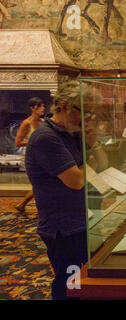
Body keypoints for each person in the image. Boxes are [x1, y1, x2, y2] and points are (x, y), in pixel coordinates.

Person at [25, 80, 88, 300]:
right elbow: (77, 180)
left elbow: (98, 163)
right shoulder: (45, 137)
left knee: (84, 280)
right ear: (63, 106)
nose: (87, 119)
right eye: (83, 111)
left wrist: (93, 145)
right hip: (62, 228)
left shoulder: (72, 132)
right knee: (69, 282)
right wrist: (92, 156)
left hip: (79, 221)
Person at [14, 97, 45, 212]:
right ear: (32, 108)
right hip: (31, 158)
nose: (43, 108)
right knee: (40, 183)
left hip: (43, 157)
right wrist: (33, 141)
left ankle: (23, 204)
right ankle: (25, 204)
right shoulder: (26, 123)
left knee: (42, 183)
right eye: (40, 106)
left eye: (43, 106)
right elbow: (17, 142)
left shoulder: (43, 123)